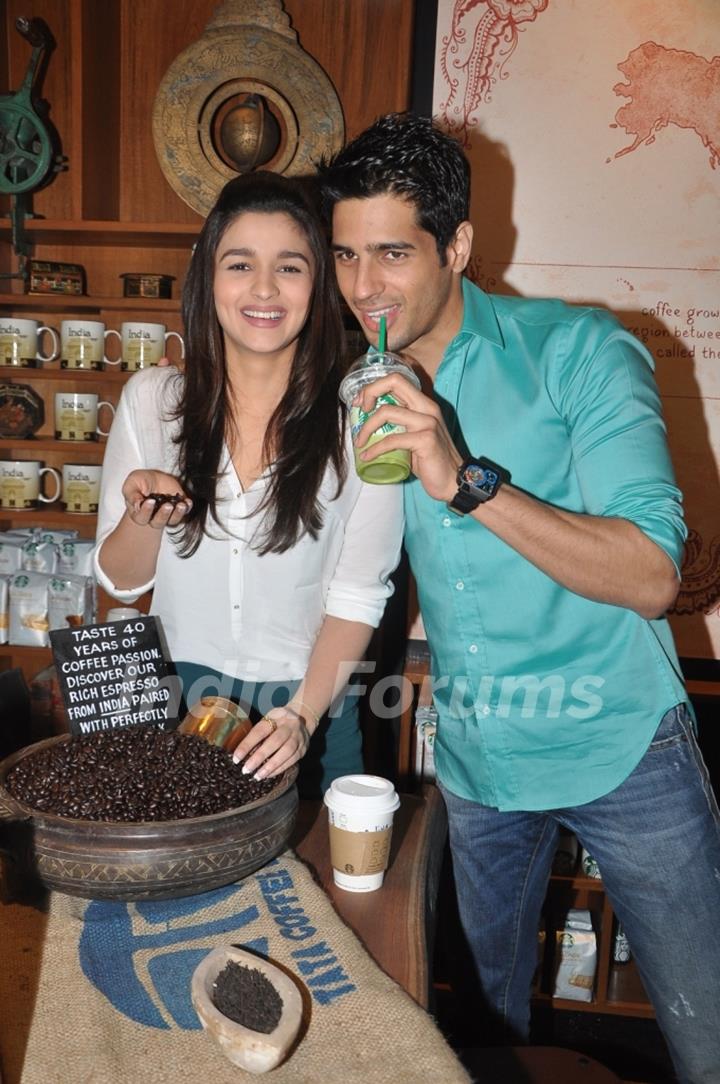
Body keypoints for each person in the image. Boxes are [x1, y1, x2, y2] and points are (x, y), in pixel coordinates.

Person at [321, 113, 720, 1080]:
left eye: (391, 253)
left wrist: (464, 480)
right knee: (478, 1037)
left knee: (707, 1032)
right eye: (343, 256)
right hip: (476, 753)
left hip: (625, 743)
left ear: (457, 246)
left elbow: (652, 574)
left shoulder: (579, 351)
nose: (363, 287)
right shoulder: (359, 385)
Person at [93, 171, 403, 798]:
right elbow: (121, 581)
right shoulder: (154, 402)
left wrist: (302, 716)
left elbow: (358, 596)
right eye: (240, 265)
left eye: (289, 267)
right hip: (177, 702)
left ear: (318, 288)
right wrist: (143, 519)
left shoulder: (363, 419)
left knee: (317, 891)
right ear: (208, 279)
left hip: (308, 706)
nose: (264, 289)